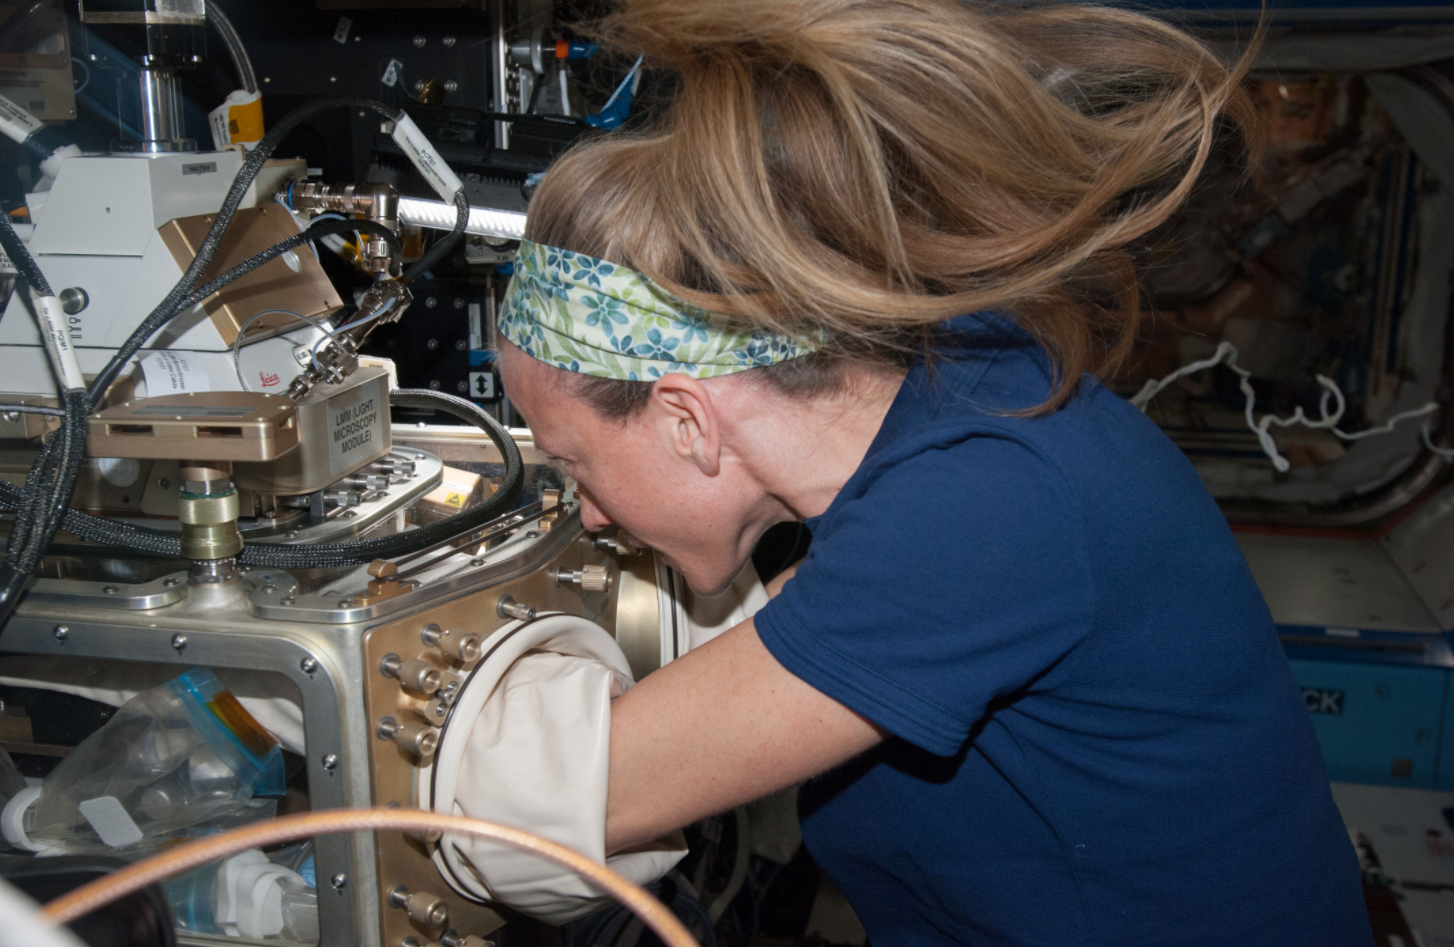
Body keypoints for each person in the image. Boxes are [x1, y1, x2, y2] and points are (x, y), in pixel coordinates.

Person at [494, 0, 1374, 942]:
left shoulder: (984, 508)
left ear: (686, 419)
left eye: (575, 463)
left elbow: (549, 809)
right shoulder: (954, 387)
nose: (584, 513)